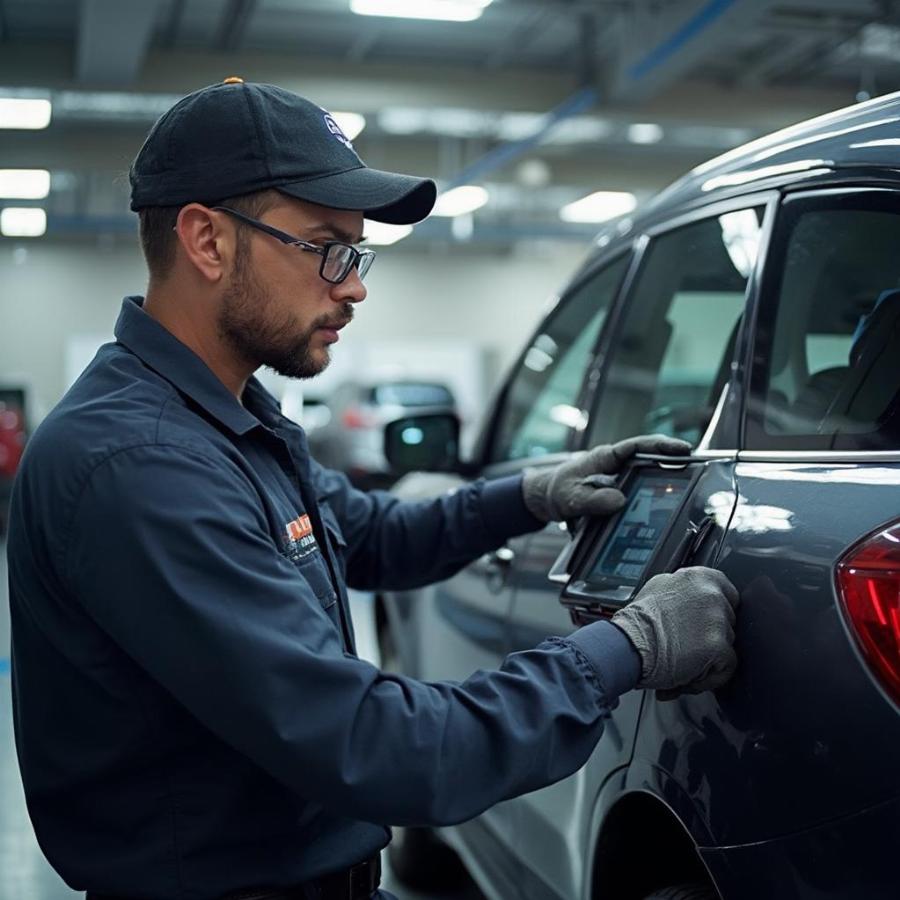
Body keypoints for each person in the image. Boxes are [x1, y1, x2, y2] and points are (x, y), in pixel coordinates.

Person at [6, 80, 739, 900]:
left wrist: (532, 492)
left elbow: (373, 533)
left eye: (356, 254)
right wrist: (628, 647)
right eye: (326, 247)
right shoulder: (140, 465)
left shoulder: (228, 419)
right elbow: (383, 747)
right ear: (206, 241)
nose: (353, 286)